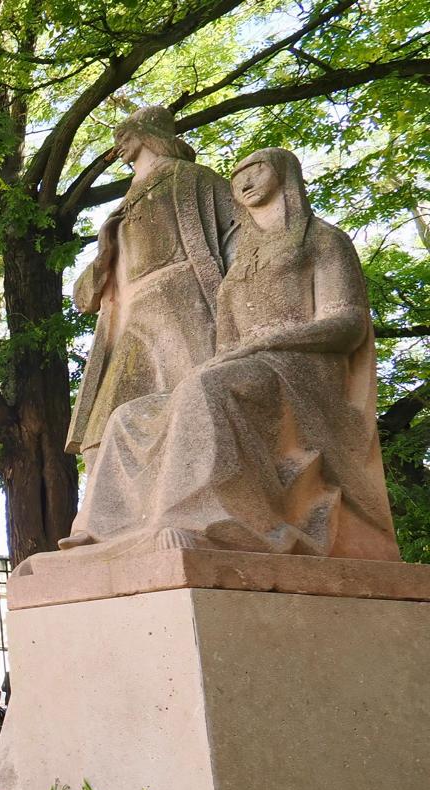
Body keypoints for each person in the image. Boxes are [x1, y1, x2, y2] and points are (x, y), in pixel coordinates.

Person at [62, 148, 400, 560]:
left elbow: (348, 325)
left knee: (206, 387)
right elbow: (227, 344)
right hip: (248, 368)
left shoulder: (323, 239)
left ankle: (193, 518)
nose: (245, 180)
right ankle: (105, 530)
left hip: (301, 370)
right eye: (238, 173)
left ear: (283, 174)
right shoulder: (240, 265)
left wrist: (268, 342)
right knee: (128, 416)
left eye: (256, 169)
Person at [66, 106, 236, 456]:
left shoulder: (193, 179)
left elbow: (241, 239)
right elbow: (83, 298)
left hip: (184, 303)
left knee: (198, 405)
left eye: (125, 137)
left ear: (147, 135)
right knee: (102, 432)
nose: (120, 147)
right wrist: (103, 255)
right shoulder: (119, 210)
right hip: (132, 317)